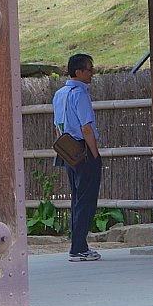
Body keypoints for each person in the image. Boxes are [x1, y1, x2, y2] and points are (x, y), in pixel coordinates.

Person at [53, 53, 103, 261]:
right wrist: (95, 154)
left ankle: (77, 244)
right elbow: (86, 128)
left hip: (67, 149)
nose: (92, 73)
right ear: (78, 71)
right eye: (89, 69)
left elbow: (57, 125)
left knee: (77, 199)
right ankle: (79, 248)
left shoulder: (59, 94)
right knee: (86, 200)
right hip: (83, 149)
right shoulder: (80, 94)